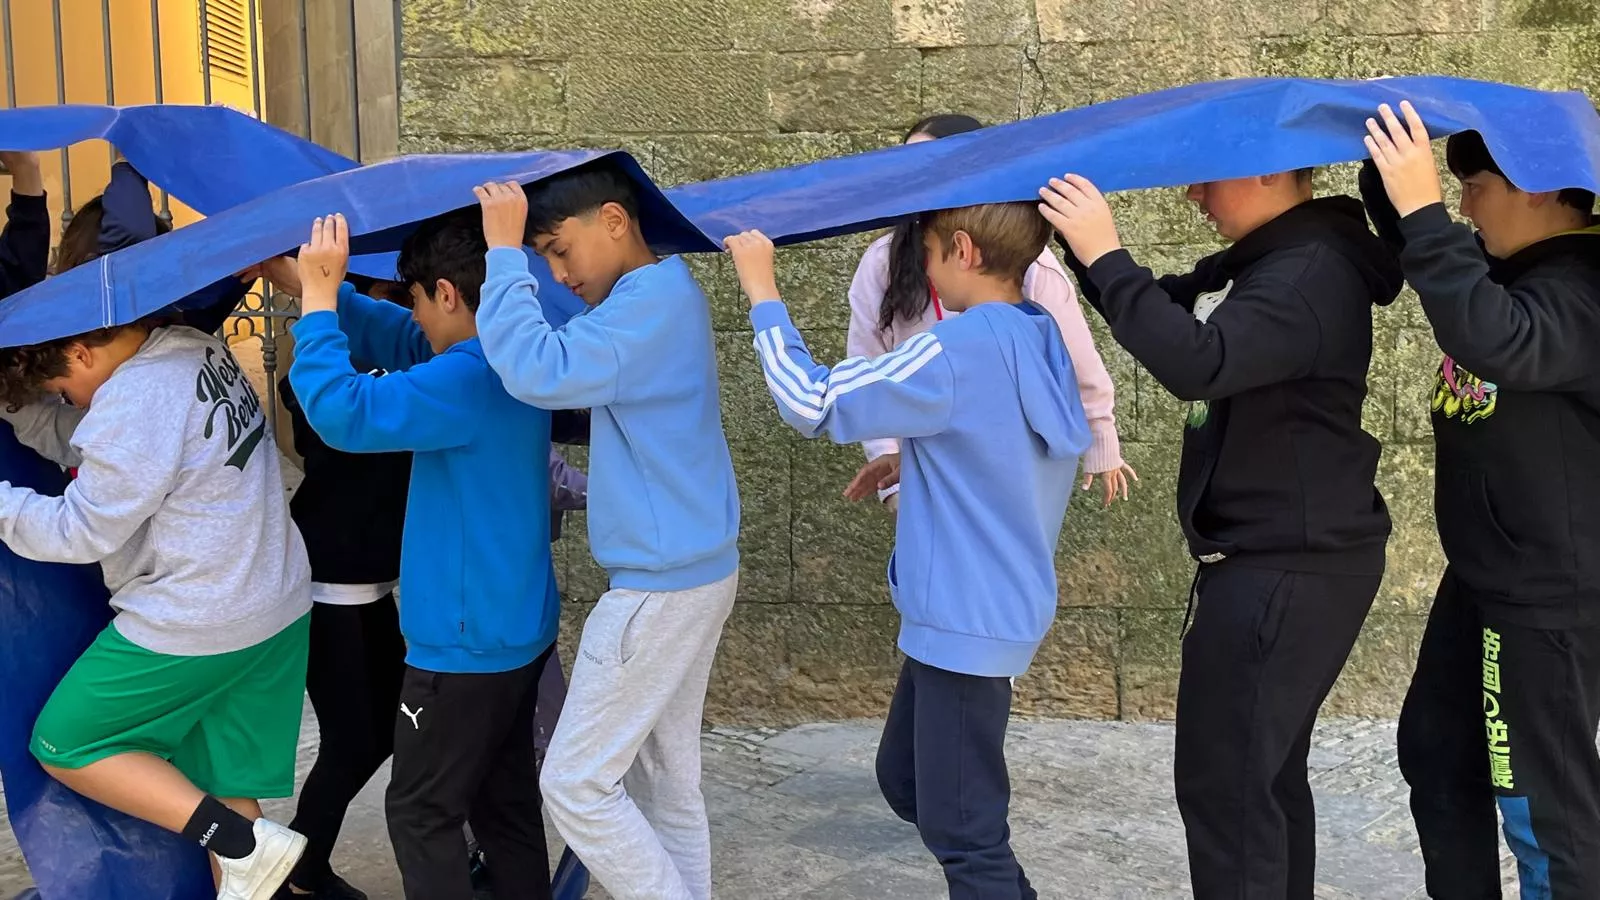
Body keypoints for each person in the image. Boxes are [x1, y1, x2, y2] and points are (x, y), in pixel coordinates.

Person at [1038, 165, 1400, 898]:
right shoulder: (1268, 258)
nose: (1192, 195)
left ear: (1267, 169)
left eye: (1208, 178)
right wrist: (1082, 251)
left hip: (1286, 568)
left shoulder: (1307, 272)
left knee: (1229, 791)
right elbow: (1166, 315)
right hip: (1285, 559)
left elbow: (1200, 361)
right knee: (1259, 783)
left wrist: (1105, 251)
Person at [725, 199, 1088, 899]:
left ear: (963, 250)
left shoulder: (955, 348)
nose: (921, 269)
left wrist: (762, 292)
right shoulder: (1037, 333)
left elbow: (812, 401)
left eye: (926, 252)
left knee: (966, 835)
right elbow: (1008, 446)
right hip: (977, 611)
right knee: (908, 781)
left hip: (964, 620)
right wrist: (914, 461)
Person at [473, 168, 740, 900]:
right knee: (665, 782)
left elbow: (537, 370)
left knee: (575, 782)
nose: (559, 275)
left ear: (615, 220)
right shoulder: (665, 289)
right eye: (544, 259)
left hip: (658, 587)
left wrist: (504, 255)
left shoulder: (645, 307)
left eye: (560, 251)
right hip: (694, 569)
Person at [284, 211, 561, 900]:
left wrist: (316, 306)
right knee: (504, 807)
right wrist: (313, 285)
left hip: (461, 652)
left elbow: (342, 410)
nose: (412, 314)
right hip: (516, 633)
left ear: (446, 293)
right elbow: (409, 338)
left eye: (415, 296)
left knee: (420, 813)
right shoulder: (517, 353)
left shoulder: (463, 381)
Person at [1363, 101, 1600, 900]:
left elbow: (1501, 338)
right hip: (1485, 579)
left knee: (1542, 805)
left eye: (1476, 187)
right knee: (1437, 756)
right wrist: (1387, 149)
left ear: (1538, 187)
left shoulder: (1583, 290)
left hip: (1548, 597)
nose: (1463, 206)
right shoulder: (1510, 270)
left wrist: (1425, 209)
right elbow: (1426, 251)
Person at [0, 309, 314, 899]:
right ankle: (247, 854)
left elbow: (77, 531)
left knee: (66, 742)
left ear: (80, 353)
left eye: (62, 388)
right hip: (273, 602)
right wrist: (19, 407)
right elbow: (103, 441)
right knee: (227, 782)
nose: (69, 400)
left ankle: (242, 844)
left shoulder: (134, 398)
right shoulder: (191, 347)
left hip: (197, 618)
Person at [845, 115, 1134, 509]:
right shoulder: (883, 262)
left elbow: (1074, 354)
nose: (918, 180)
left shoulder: (1029, 262)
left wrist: (1101, 434)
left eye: (930, 164)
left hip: (1008, 460)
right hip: (922, 463)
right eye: (907, 166)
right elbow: (866, 362)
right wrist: (887, 460)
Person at [268, 271, 414, 900]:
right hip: (332, 585)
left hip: (364, 585)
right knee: (357, 738)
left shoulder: (387, 371)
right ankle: (299, 868)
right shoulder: (340, 379)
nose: (407, 314)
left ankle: (301, 864)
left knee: (384, 729)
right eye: (395, 297)